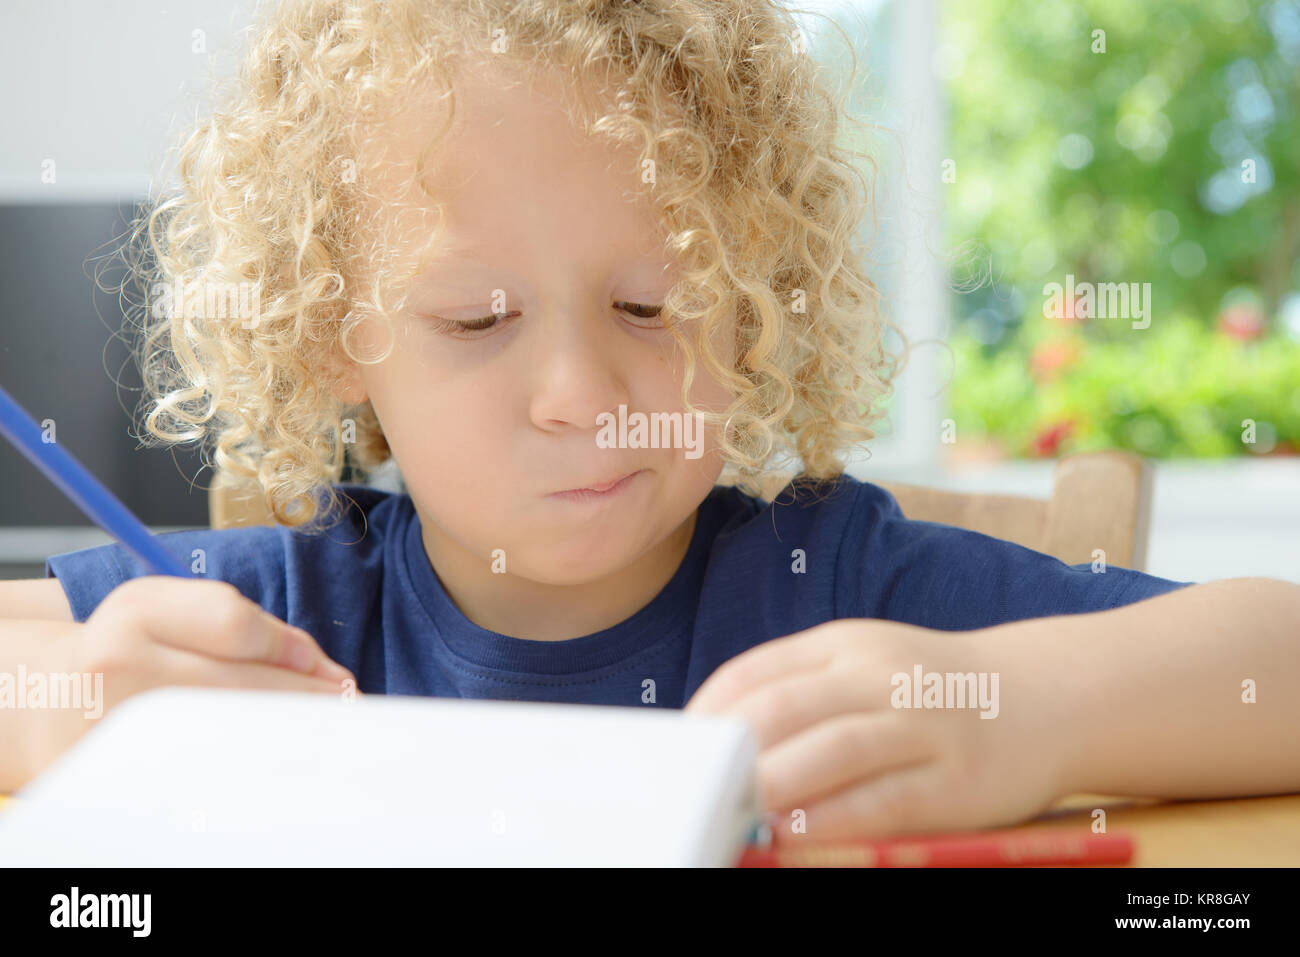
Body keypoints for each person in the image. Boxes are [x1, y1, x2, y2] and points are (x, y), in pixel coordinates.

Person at [2, 0, 1296, 843]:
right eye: (476, 318)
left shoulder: (835, 580)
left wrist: (1026, 705)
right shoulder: (280, 613)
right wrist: (63, 697)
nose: (581, 395)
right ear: (339, 336)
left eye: (651, 302)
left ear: (750, 305)